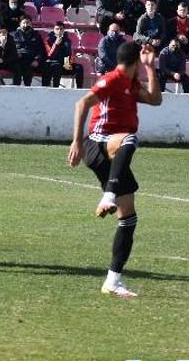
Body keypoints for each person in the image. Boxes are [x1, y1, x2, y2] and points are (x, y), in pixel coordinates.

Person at [68, 40, 161, 299]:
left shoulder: (130, 83)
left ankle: (113, 281)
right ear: (134, 63)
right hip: (98, 145)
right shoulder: (113, 79)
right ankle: (108, 194)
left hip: (113, 153)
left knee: (128, 217)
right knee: (131, 138)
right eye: (141, 64)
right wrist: (76, 141)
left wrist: (151, 68)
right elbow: (82, 104)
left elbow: (155, 100)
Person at [41, 22, 82, 88]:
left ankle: (79, 89)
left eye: (61, 29)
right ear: (54, 30)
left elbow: (70, 53)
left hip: (64, 64)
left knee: (79, 68)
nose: (59, 31)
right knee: (57, 66)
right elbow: (49, 55)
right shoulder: (48, 40)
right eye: (57, 29)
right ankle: (56, 89)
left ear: (64, 30)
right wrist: (56, 44)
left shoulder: (67, 40)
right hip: (51, 63)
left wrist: (68, 63)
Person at [12, 15, 44, 86]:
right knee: (17, 68)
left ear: (31, 24)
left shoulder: (36, 35)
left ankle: (28, 90)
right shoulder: (13, 35)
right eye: (24, 23)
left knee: (28, 70)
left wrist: (37, 60)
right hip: (18, 59)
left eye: (28, 23)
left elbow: (41, 49)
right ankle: (15, 90)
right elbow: (11, 49)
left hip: (31, 59)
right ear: (20, 24)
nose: (26, 25)